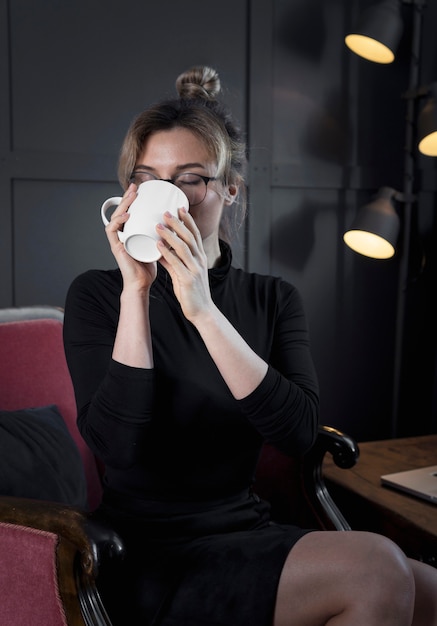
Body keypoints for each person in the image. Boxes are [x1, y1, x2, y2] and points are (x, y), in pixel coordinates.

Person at [63, 65, 437, 626]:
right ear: (130, 194)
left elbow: (297, 433)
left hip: (245, 529)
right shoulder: (100, 294)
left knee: (429, 587)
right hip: (148, 552)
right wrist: (137, 292)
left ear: (229, 189)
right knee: (378, 567)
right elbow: (117, 447)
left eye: (191, 178)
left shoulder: (273, 299)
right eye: (149, 178)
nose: (172, 196)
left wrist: (203, 310)